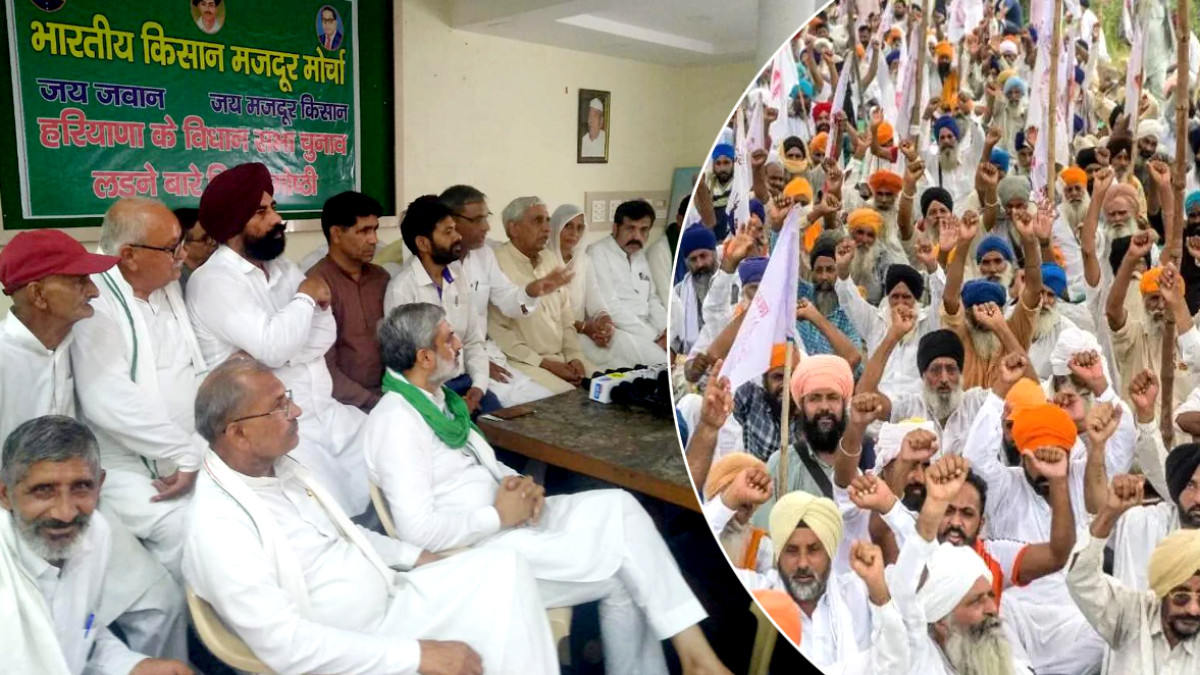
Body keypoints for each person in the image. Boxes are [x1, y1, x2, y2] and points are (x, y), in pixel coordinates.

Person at [361, 303, 734, 675]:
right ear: (425, 358)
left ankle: (694, 660)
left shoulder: (440, 402)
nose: (459, 344)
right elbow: (417, 531)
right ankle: (699, 661)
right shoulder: (397, 421)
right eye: (449, 338)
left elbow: (481, 464)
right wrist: (497, 516)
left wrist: (523, 483)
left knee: (622, 507)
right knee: (627, 567)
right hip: (480, 552)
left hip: (514, 520)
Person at [183, 356, 562, 675]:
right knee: (505, 624)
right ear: (238, 434)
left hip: (392, 598)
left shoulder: (277, 469)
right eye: (280, 406)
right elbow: (287, 644)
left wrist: (417, 557)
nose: (296, 411)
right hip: (356, 644)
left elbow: (345, 533)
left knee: (505, 566)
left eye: (290, 398)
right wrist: (418, 655)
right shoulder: (219, 527)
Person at [0, 229, 189, 664]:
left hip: (80, 505)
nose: (93, 291)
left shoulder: (71, 340)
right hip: (16, 520)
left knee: (162, 603)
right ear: (38, 295)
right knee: (39, 643)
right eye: (79, 281)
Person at [186, 162, 369, 516]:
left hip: (326, 411)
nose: (277, 219)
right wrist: (304, 298)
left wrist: (280, 350)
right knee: (331, 510)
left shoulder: (283, 267)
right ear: (234, 223)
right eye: (261, 212)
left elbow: (324, 333)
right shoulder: (214, 281)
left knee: (390, 451)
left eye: (273, 207)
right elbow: (274, 347)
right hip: (274, 428)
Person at [71, 198, 208, 582]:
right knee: (195, 533)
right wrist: (183, 454)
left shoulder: (164, 287)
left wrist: (197, 449)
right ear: (129, 255)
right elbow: (106, 398)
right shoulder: (95, 301)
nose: (182, 256)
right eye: (172, 248)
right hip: (130, 468)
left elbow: (196, 368)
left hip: (192, 451)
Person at [0, 416, 192, 675]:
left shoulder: (95, 532)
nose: (65, 513)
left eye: (81, 487)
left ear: (99, 485)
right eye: (43, 490)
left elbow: (82, 633)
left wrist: (133, 666)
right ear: (5, 494)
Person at [890, 454, 1036, 674]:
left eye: (990, 596)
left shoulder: (1013, 667)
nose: (992, 609)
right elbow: (905, 594)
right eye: (976, 601)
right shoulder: (921, 663)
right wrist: (934, 506)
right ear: (941, 621)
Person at [441, 185, 569, 406]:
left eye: (486, 217)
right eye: (477, 220)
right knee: (516, 412)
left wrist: (532, 291)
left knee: (545, 403)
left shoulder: (484, 255)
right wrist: (474, 363)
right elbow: (434, 338)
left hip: (486, 355)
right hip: (453, 368)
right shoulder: (434, 268)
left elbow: (508, 301)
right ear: (450, 222)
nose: (487, 227)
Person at [1067, 474, 1200, 674]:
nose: (1193, 609)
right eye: (1181, 596)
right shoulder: (1130, 615)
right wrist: (1109, 514)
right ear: (1162, 591)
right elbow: (1080, 578)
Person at [386, 195, 501, 414]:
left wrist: (478, 386)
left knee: (504, 428)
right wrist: (448, 402)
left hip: (466, 383)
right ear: (423, 243)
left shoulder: (458, 275)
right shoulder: (401, 289)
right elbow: (407, 365)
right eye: (448, 232)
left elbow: (473, 341)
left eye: (455, 229)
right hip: (429, 393)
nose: (458, 237)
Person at [489, 196, 592, 394]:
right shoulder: (497, 263)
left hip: (563, 358)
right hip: (526, 363)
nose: (546, 228)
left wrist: (575, 357)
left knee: (607, 386)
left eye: (547, 220)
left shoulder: (550, 259)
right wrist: (545, 363)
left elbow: (566, 317)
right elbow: (499, 332)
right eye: (537, 221)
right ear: (514, 228)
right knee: (572, 400)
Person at [551, 203, 663, 370]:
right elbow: (550, 314)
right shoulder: (544, 262)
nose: (574, 234)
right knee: (646, 361)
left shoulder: (583, 261)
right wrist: (654, 337)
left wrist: (605, 320)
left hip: (596, 331)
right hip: (565, 332)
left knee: (642, 364)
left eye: (580, 228)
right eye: (568, 226)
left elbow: (597, 301)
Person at [307, 190, 391, 412]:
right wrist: (374, 403)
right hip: (341, 405)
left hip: (390, 393)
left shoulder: (381, 278)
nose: (374, 240)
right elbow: (323, 369)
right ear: (336, 234)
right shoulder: (315, 284)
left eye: (375, 229)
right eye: (364, 231)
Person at [752, 355, 855, 525]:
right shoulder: (782, 463)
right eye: (814, 398)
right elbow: (763, 533)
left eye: (832, 397)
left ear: (844, 404)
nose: (824, 407)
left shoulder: (868, 459)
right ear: (802, 407)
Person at [586, 199, 670, 366]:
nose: (637, 237)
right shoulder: (598, 252)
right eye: (630, 228)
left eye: (644, 230)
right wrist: (654, 337)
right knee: (663, 362)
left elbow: (652, 299)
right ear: (615, 228)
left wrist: (665, 330)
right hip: (617, 329)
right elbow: (610, 306)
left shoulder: (639, 255)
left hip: (647, 328)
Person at [672, 224, 719, 355]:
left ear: (714, 254)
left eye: (703, 256)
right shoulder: (679, 293)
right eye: (693, 259)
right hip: (692, 360)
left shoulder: (732, 282)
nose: (700, 264)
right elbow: (673, 339)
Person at [175, 207, 214, 292]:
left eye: (212, 236)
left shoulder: (212, 270)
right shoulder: (177, 280)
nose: (212, 243)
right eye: (205, 239)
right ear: (184, 244)